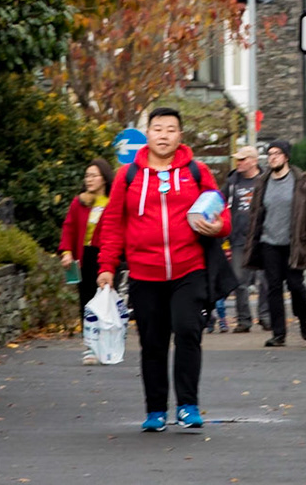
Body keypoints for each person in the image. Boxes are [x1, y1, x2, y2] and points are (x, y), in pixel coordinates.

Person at [97, 108, 224, 432]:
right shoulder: (128, 176)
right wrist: (106, 267)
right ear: (148, 134)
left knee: (187, 331)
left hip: (189, 269)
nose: (164, 135)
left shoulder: (197, 171)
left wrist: (220, 226)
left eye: (170, 129)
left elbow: (219, 210)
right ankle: (155, 410)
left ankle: (187, 406)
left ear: (180, 136)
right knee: (152, 343)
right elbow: (113, 224)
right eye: (157, 129)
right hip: (144, 273)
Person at [245, 140, 306, 347]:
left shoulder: (301, 181)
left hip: (293, 244)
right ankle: (279, 334)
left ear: (286, 157)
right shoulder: (263, 182)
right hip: (269, 243)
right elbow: (255, 213)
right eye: (270, 154)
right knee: (273, 288)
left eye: (277, 153)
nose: (272, 157)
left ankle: (304, 317)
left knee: (296, 286)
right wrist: (252, 239)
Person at [57, 158, 113, 365]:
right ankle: (90, 347)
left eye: (94, 175)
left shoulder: (114, 202)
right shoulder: (79, 202)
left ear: (104, 178)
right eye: (87, 176)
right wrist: (66, 252)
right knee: (87, 302)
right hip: (84, 257)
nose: (89, 180)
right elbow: (69, 227)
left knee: (105, 302)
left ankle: (106, 345)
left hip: (106, 256)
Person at [221, 144, 265, 333]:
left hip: (263, 237)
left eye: (242, 159)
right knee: (239, 281)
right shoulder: (232, 182)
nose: (238, 163)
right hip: (238, 238)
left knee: (266, 281)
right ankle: (244, 320)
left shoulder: (265, 181)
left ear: (253, 161)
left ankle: (266, 317)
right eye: (237, 159)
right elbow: (219, 202)